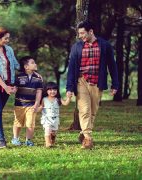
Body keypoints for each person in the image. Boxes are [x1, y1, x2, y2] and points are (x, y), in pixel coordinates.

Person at [66, 21, 119, 149]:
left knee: (93, 112)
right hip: (81, 81)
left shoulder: (105, 46)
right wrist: (69, 87)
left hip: (97, 82)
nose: (80, 36)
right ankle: (88, 138)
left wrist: (115, 84)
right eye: (79, 33)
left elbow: (112, 65)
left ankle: (83, 133)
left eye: (83, 33)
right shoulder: (77, 47)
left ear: (91, 31)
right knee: (84, 110)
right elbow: (71, 67)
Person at [11, 56, 43, 147]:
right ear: (26, 66)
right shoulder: (18, 77)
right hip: (19, 104)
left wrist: (37, 103)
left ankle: (28, 140)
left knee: (30, 123)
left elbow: (39, 91)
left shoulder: (38, 78)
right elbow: (15, 88)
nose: (35, 64)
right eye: (32, 63)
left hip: (32, 105)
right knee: (18, 122)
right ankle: (15, 138)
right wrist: (13, 90)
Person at [39, 82, 71, 148]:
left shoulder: (58, 99)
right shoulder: (44, 99)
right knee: (47, 130)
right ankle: (48, 143)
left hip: (55, 119)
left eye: (54, 90)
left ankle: (53, 137)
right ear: (46, 90)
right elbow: (41, 107)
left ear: (57, 91)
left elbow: (65, 103)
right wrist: (35, 109)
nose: (52, 91)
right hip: (46, 118)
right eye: (50, 90)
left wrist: (69, 98)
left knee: (53, 132)